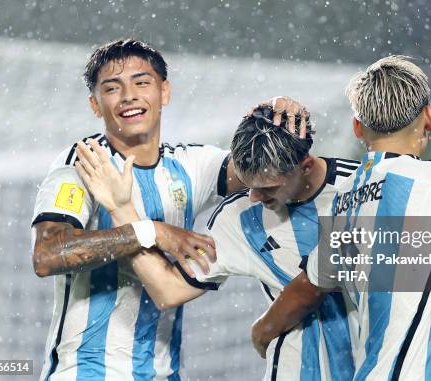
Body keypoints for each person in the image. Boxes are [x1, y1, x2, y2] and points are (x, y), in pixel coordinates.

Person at [74, 104, 431, 380]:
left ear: (304, 165)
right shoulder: (238, 220)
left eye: (266, 188)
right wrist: (124, 209)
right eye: (247, 186)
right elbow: (166, 289)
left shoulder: (366, 186)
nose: (253, 198)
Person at [30, 38, 304, 381]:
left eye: (141, 83)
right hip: (86, 373)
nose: (129, 96)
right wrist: (152, 231)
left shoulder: (190, 166)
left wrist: (278, 116)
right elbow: (48, 255)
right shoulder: (83, 167)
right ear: (95, 105)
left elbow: (262, 169)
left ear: (165, 92)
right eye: (113, 88)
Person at [250, 56, 431, 381]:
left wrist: (261, 331)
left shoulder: (345, 199)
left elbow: (307, 290)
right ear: (429, 116)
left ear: (357, 127)